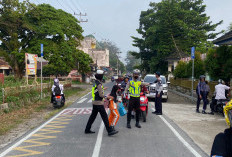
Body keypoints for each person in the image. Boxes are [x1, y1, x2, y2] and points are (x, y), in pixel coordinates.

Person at [85, 70, 118, 136]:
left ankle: (87, 129)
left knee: (93, 116)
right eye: (102, 75)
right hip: (98, 103)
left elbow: (96, 91)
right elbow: (100, 95)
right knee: (105, 117)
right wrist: (107, 97)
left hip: (94, 102)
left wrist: (103, 89)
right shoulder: (99, 84)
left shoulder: (95, 82)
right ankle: (109, 131)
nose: (103, 77)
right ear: (101, 76)